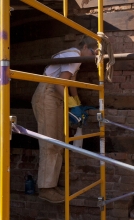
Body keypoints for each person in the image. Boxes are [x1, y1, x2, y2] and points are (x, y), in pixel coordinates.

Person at [31, 36, 97, 203]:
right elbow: (59, 84)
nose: (93, 56)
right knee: (50, 141)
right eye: (93, 52)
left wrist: (78, 103)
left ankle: (51, 185)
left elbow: (70, 83)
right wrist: (71, 106)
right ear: (85, 47)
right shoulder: (74, 55)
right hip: (48, 95)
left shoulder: (76, 58)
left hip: (55, 97)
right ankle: (45, 188)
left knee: (59, 141)